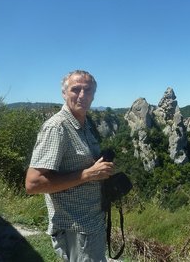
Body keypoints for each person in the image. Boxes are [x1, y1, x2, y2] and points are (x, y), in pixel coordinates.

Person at [25, 70, 114, 262]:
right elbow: (33, 184)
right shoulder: (57, 127)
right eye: (76, 89)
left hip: (92, 223)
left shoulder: (84, 125)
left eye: (87, 90)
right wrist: (86, 175)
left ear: (93, 95)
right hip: (76, 228)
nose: (82, 95)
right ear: (64, 93)